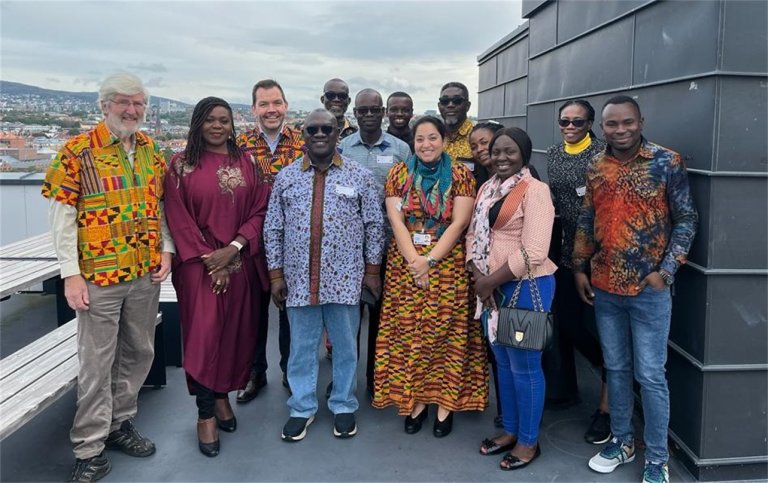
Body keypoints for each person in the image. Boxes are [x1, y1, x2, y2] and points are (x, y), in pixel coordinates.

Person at [42, 72, 174, 482]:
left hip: (143, 272)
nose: (132, 110)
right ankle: (89, 448)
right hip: (98, 276)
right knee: (97, 362)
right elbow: (62, 219)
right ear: (104, 106)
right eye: (123, 102)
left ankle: (119, 424)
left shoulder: (152, 150)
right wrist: (70, 275)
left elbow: (162, 206)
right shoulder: (76, 152)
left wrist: (166, 249)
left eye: (139, 104)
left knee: (139, 352)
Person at [574, 96, 697, 483]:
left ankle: (657, 458)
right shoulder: (595, 164)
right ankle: (624, 441)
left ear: (641, 121)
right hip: (605, 286)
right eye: (612, 124)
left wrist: (667, 271)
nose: (620, 130)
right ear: (604, 128)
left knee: (651, 374)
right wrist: (579, 266)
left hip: (649, 289)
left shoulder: (666, 162)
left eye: (627, 122)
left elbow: (687, 219)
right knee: (617, 368)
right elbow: (588, 216)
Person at [264, 109, 385, 442]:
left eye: (327, 129)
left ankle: (343, 405)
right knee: (302, 348)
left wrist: (372, 270)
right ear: (303, 135)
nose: (320, 134)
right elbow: (273, 227)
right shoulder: (286, 178)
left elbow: (375, 225)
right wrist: (276, 276)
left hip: (346, 280)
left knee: (346, 347)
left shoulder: (359, 177)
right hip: (299, 281)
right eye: (312, 129)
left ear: (338, 134)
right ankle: (301, 407)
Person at [164, 97, 270, 457]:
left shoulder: (247, 162)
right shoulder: (181, 166)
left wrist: (235, 248)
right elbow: (178, 219)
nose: (217, 126)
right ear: (198, 122)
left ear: (232, 124)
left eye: (224, 120)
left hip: (239, 264)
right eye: (210, 119)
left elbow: (260, 210)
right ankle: (205, 413)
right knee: (204, 337)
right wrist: (213, 261)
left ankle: (222, 394)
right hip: (198, 268)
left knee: (234, 335)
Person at [373, 115, 487, 438]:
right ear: (413, 142)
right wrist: (415, 261)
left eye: (433, 138)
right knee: (410, 336)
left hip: (447, 267)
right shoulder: (398, 174)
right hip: (405, 266)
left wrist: (431, 261)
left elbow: (459, 223)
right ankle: (416, 403)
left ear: (444, 140)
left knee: (445, 335)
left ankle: (445, 405)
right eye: (420, 139)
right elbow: (396, 222)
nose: (426, 145)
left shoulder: (461, 176)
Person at [466, 127, 557, 470]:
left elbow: (534, 251)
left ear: (524, 155)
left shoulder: (535, 190)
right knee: (503, 362)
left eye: (510, 152)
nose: (502, 157)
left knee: (525, 366)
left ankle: (529, 442)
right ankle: (511, 430)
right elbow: (474, 233)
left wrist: (489, 281)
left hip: (525, 288)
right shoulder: (488, 188)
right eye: (496, 151)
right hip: (490, 288)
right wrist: (478, 276)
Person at [545, 99, 611, 443]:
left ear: (591, 124)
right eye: (565, 122)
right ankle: (608, 371)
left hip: (601, 256)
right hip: (568, 255)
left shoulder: (603, 154)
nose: (570, 127)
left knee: (605, 330)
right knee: (570, 325)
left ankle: (607, 406)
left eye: (578, 122)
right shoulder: (554, 155)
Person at [338, 88, 411, 396]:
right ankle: (346, 380)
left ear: (383, 113)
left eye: (373, 110)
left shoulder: (401, 149)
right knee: (349, 319)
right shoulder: (341, 148)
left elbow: (410, 195)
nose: (368, 115)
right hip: (349, 247)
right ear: (355, 113)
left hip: (390, 246)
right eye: (362, 110)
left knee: (383, 318)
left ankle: (376, 379)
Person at [236, 79, 304, 402]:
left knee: (289, 310)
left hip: (293, 244)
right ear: (254, 109)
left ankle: (291, 372)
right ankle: (255, 372)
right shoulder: (239, 146)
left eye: (276, 102)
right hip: (251, 242)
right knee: (253, 311)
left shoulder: (304, 143)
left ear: (286, 105)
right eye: (264, 104)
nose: (271, 109)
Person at [438, 82, 474, 163]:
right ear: (439, 106)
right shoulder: (434, 136)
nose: (450, 105)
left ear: (467, 106)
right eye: (445, 101)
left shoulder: (477, 137)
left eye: (457, 101)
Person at [469, 121, 503, 191]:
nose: (479, 149)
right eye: (473, 147)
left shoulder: (521, 172)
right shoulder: (473, 177)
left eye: (484, 142)